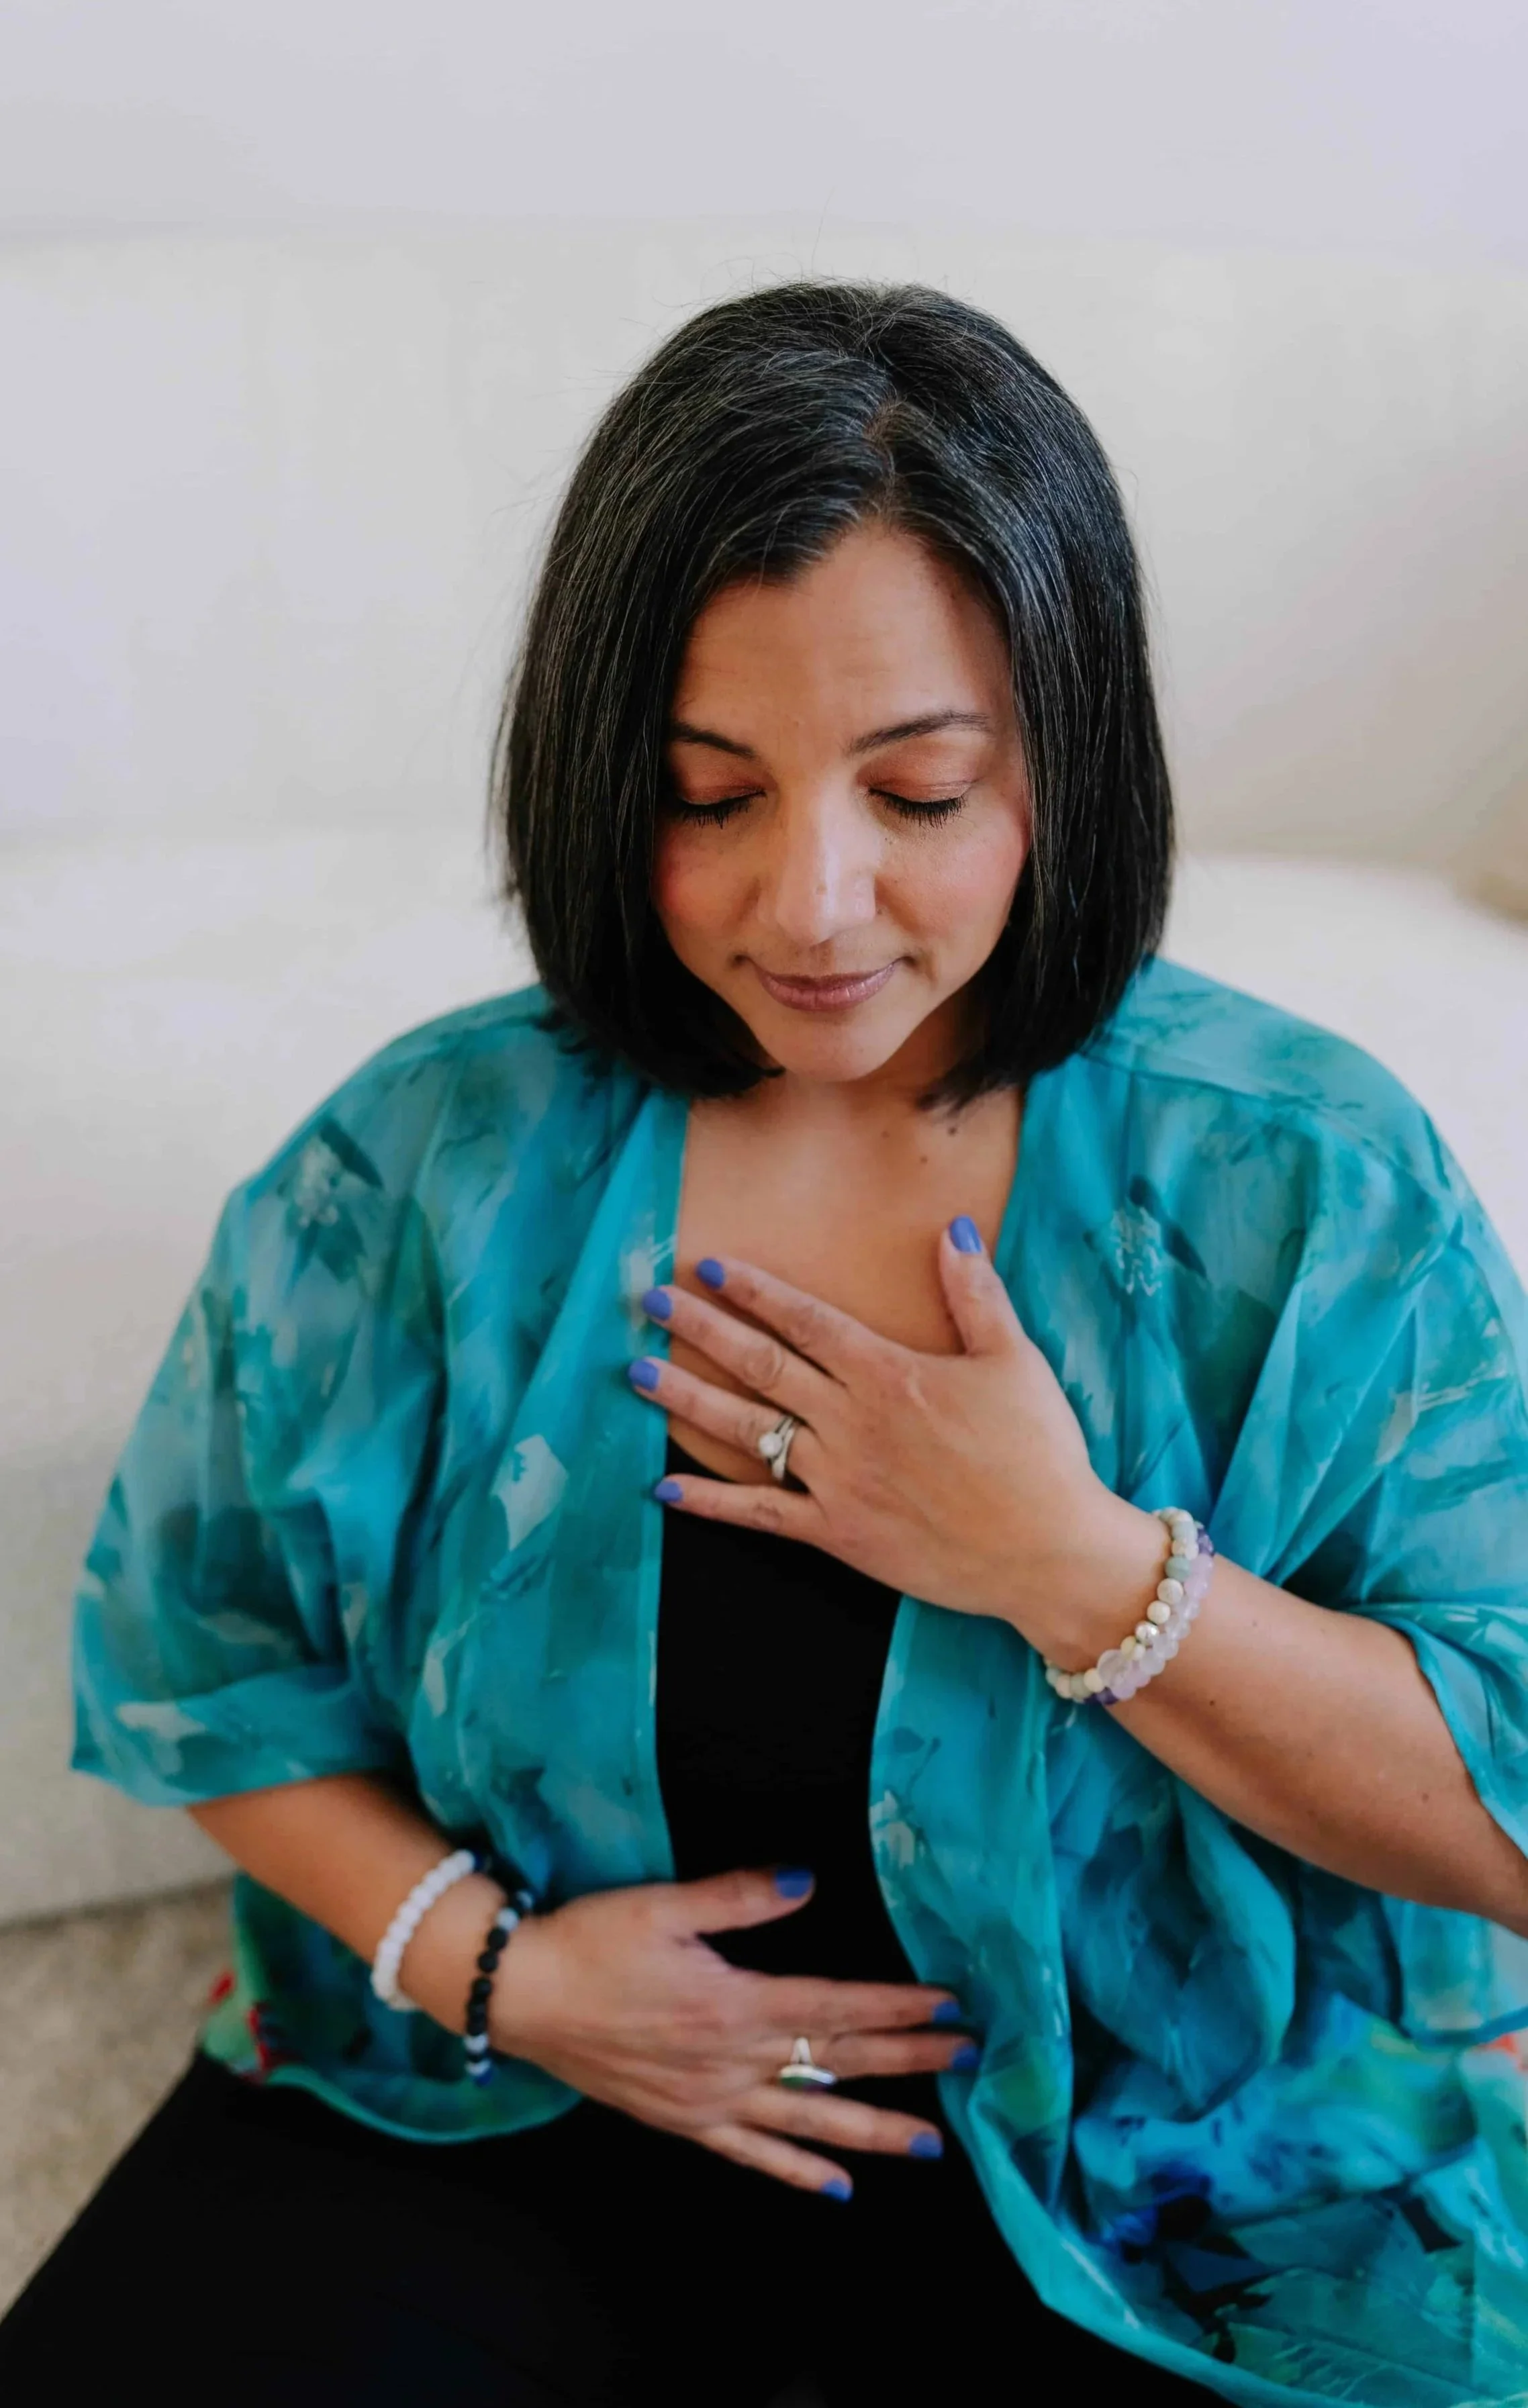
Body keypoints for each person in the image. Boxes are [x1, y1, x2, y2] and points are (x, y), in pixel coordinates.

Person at [5, 281, 1527, 2407]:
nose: (810, 907)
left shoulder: (1304, 1183)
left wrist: (1074, 1568)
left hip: (1166, 2180)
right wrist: (502, 1971)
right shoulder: (425, 1165)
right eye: (707, 794)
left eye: (916, 795)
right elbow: (204, 1666)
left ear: (1062, 769)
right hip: (521, 2116)